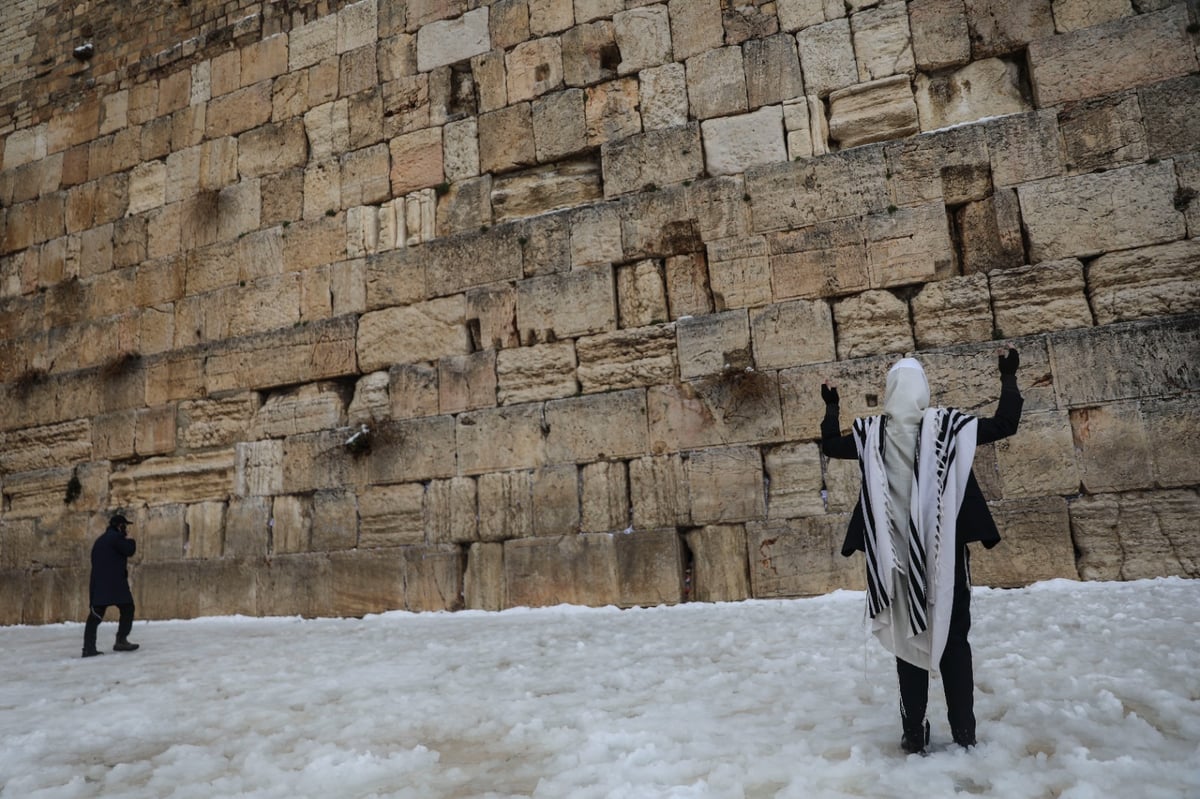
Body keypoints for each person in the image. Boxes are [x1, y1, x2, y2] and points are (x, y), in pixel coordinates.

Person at [820, 349, 1022, 753]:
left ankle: (914, 733)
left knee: (909, 641)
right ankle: (964, 734)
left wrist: (832, 407)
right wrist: (1009, 377)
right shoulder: (949, 427)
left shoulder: (872, 434)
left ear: (891, 390)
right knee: (954, 641)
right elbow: (1005, 424)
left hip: (894, 563)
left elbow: (830, 445)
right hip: (944, 561)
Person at [82, 513, 141, 658]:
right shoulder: (116, 538)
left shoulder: (100, 540)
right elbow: (129, 550)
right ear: (119, 526)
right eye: (125, 526)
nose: (126, 529)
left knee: (95, 615)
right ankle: (121, 640)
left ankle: (88, 648)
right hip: (115, 584)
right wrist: (131, 540)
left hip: (100, 584)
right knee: (128, 608)